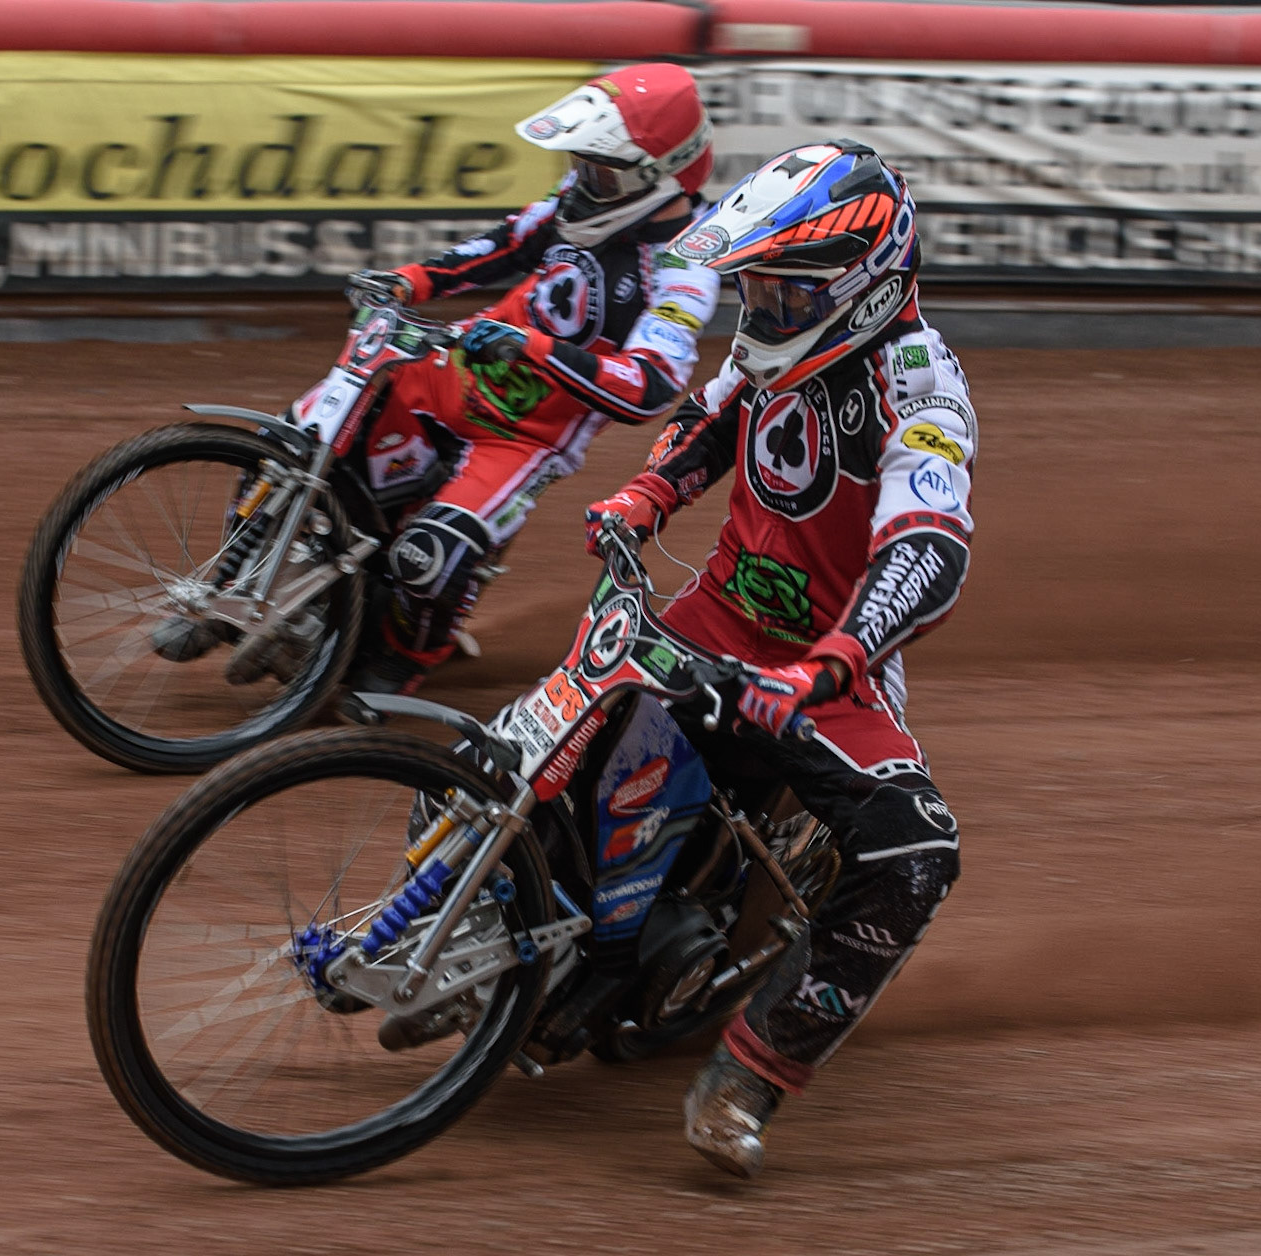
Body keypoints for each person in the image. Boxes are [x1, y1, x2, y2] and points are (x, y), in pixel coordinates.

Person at [582, 141, 977, 1178]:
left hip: (825, 668)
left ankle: (747, 1075)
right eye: (750, 287)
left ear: (859, 285)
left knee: (917, 857)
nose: (757, 312)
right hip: (715, 616)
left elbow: (927, 546)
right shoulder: (770, 346)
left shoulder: (923, 385)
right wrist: (645, 495)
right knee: (564, 741)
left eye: (781, 293)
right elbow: (715, 412)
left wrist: (836, 662)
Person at [339, 63, 720, 696]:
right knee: (324, 441)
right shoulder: (573, 204)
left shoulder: (686, 263)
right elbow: (499, 245)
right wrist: (412, 279)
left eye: (598, 169)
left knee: (427, 560)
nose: (581, 180)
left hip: (525, 436)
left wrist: (534, 348)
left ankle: (414, 652)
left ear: (654, 176)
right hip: (449, 373)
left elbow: (650, 384)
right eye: (580, 163)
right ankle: (235, 581)